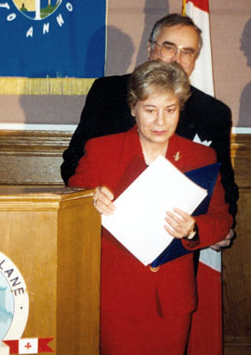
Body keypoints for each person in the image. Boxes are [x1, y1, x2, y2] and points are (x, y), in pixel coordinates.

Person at [68, 60, 233, 355]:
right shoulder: (102, 150)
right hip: (117, 298)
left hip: (170, 300)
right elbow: (71, 202)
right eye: (150, 110)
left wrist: (194, 228)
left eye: (170, 110)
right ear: (133, 109)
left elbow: (221, 219)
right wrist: (89, 199)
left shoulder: (200, 156)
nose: (161, 121)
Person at [61, 13, 239, 217]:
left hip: (174, 233)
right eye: (169, 47)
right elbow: (73, 161)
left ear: (194, 60)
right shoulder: (107, 93)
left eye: (187, 52)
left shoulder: (213, 112)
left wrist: (221, 226)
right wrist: (93, 195)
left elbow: (222, 181)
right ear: (150, 48)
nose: (176, 59)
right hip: (109, 223)